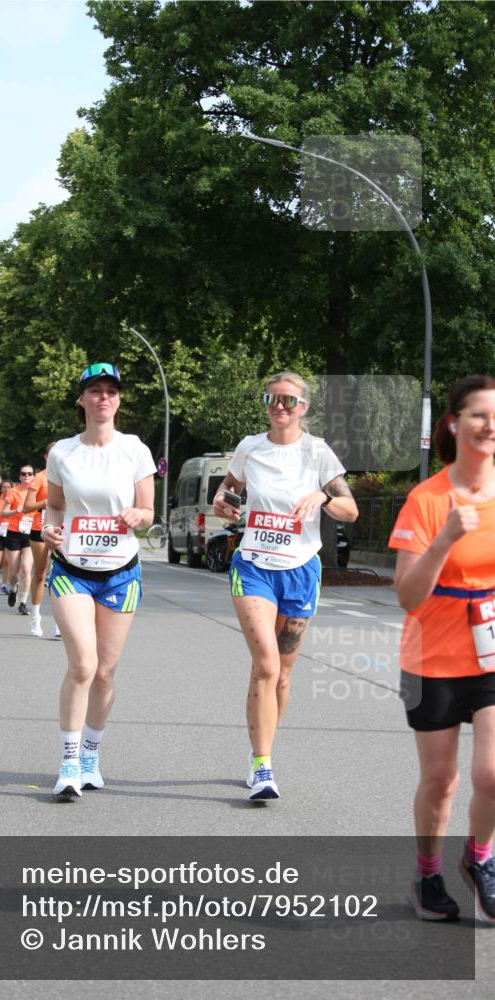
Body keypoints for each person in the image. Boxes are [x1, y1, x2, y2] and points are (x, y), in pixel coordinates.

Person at [213, 371, 358, 802]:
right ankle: (263, 767)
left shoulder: (317, 453)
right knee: (267, 663)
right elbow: (228, 491)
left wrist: (324, 499)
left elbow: (350, 510)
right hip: (254, 565)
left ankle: (264, 753)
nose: (280, 406)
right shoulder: (249, 448)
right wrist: (223, 502)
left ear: (303, 407)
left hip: (301, 570)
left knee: (284, 674)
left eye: (289, 401)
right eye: (273, 399)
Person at [389, 374, 495, 924]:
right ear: (454, 422)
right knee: (440, 781)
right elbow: (407, 595)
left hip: (491, 652)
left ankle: (480, 858)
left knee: (493, 773)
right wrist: (447, 538)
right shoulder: (427, 500)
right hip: (427, 657)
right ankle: (427, 872)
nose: (490, 425)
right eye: (478, 414)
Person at [42, 362, 156, 800]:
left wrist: (137, 516)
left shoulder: (135, 450)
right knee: (83, 666)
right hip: (72, 571)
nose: (103, 398)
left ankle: (91, 755)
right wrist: (49, 529)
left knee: (106, 673)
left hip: (120, 573)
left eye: (111, 391)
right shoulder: (63, 453)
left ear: (119, 400)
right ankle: (68, 763)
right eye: (95, 391)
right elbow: (54, 505)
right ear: (82, 400)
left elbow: (148, 512)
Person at [23, 442, 61, 639]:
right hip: (39, 528)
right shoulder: (39, 478)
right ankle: (36, 618)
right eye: (52, 454)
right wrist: (46, 503)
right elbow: (26, 506)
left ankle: (59, 623)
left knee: (60, 576)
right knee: (40, 574)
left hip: (61, 529)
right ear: (46, 457)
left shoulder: (68, 475)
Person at [0, 465, 36, 615]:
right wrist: (16, 510)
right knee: (14, 574)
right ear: (20, 476)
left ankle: (23, 603)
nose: (27, 476)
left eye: (29, 473)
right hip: (14, 533)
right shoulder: (13, 492)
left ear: (33, 476)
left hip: (31, 533)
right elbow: (3, 512)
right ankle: (13, 589)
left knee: (27, 568)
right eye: (24, 474)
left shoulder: (37, 492)